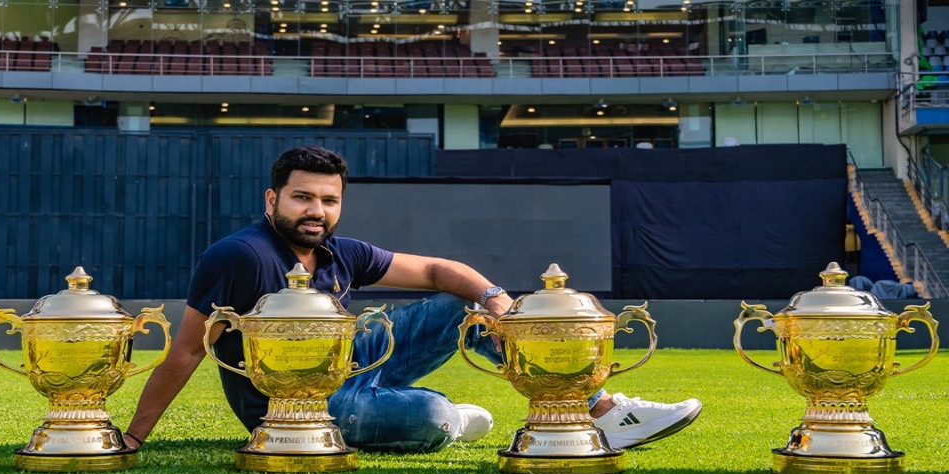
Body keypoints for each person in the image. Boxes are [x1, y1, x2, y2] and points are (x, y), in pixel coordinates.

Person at [125, 146, 701, 452]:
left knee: (464, 304)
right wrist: (132, 438)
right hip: (290, 408)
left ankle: (601, 410)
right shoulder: (240, 255)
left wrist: (498, 300)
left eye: (328, 200)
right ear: (273, 198)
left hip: (351, 366)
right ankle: (441, 418)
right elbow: (186, 352)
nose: (316, 211)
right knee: (430, 417)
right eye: (302, 198)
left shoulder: (338, 252)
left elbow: (435, 269)